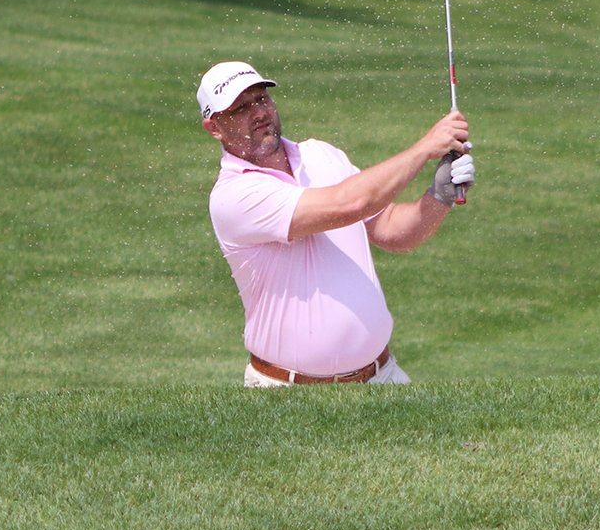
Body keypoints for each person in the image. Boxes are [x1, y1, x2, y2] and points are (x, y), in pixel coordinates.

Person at [198, 60, 475, 387]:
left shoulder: (321, 154)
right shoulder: (233, 196)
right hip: (289, 391)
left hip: (382, 376)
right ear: (214, 128)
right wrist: (425, 148)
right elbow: (349, 204)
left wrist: (439, 196)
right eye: (241, 108)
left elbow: (392, 231)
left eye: (261, 99)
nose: (258, 112)